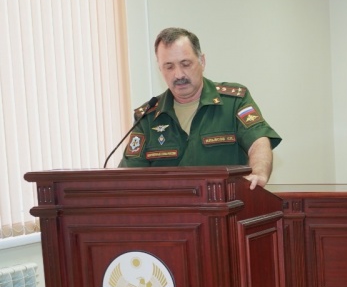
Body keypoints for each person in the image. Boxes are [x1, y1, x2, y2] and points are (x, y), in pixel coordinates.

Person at [119, 27, 280, 189]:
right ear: (160, 68)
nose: (178, 74)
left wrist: (258, 173)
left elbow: (258, 142)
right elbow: (129, 177)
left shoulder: (234, 102)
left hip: (226, 203)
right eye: (169, 66)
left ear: (202, 61)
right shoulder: (147, 117)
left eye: (185, 64)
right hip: (169, 205)